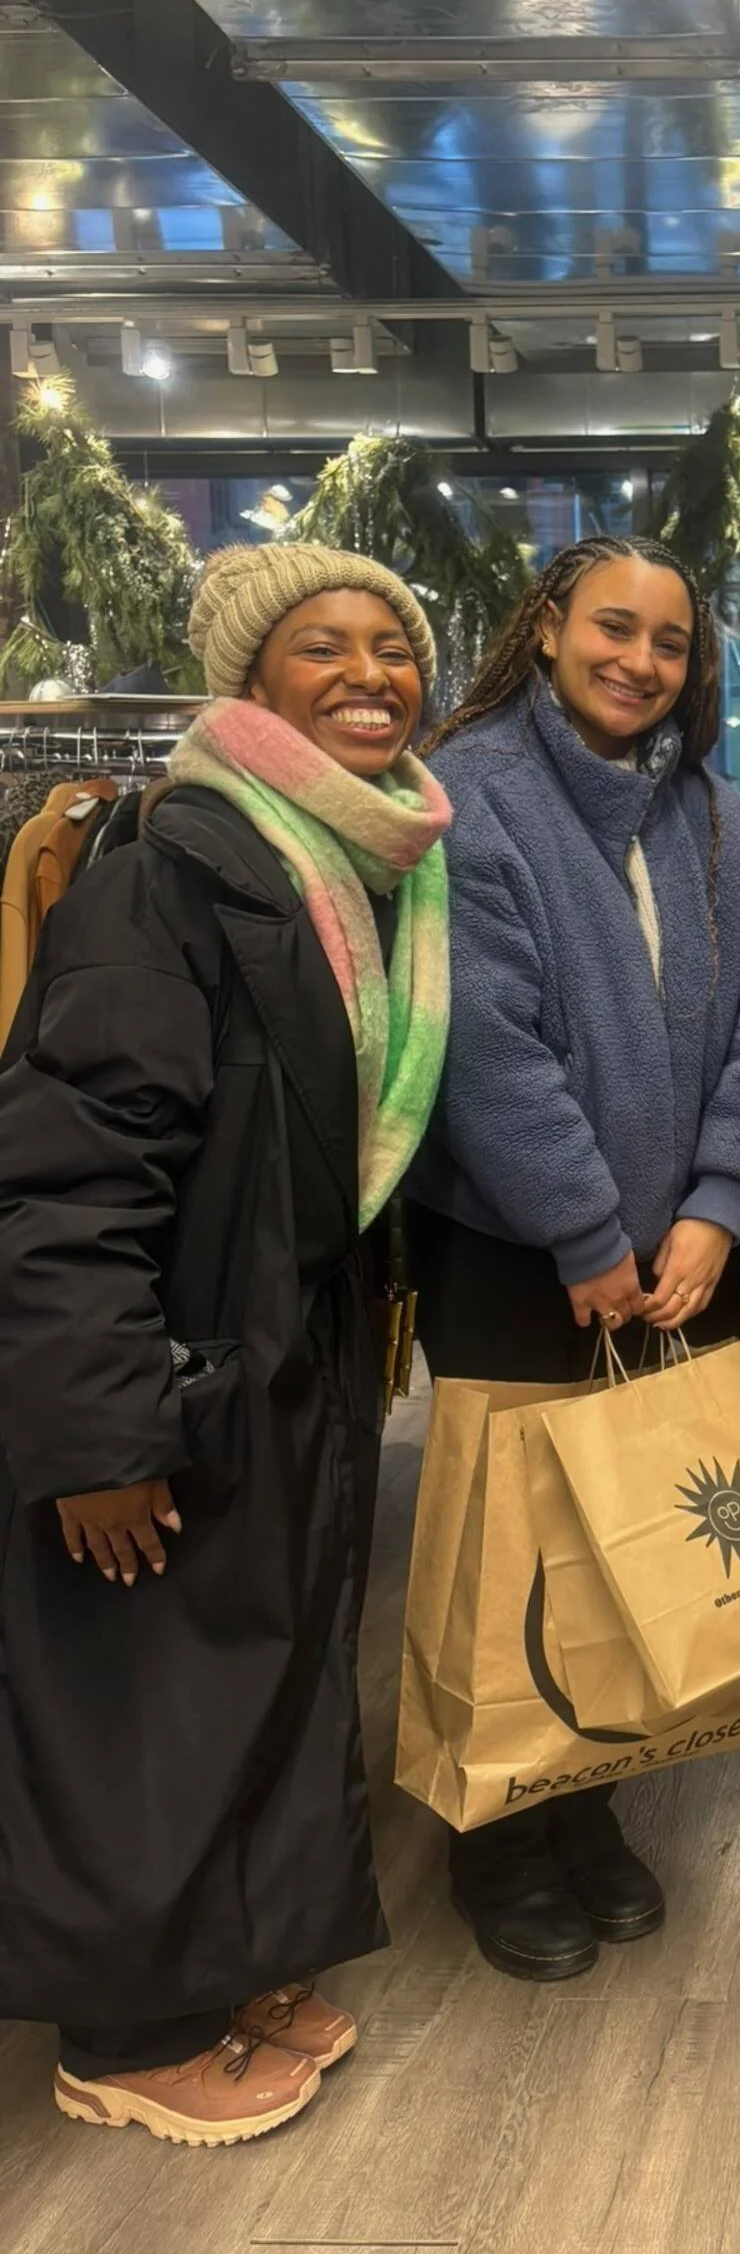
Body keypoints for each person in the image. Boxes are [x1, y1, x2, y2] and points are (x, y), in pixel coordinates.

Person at [0, 544, 451, 2145]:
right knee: (151, 1696)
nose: (371, 675)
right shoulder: (163, 871)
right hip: (174, 1362)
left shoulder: (363, 870)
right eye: (324, 647)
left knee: (259, 1663)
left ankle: (227, 1958)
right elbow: (66, 1171)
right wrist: (103, 1433)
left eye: (394, 649)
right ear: (251, 681)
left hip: (284, 1346)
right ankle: (126, 2038)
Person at [407, 534, 740, 1980]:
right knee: (517, 1555)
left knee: (636, 1536)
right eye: (612, 629)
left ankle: (591, 1806)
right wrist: (583, 1225)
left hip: (688, 1255)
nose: (641, 661)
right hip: (517, 1253)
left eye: (671, 643)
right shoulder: (472, 798)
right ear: (548, 628)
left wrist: (717, 1204)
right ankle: (499, 1838)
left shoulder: (717, 815)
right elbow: (483, 1046)